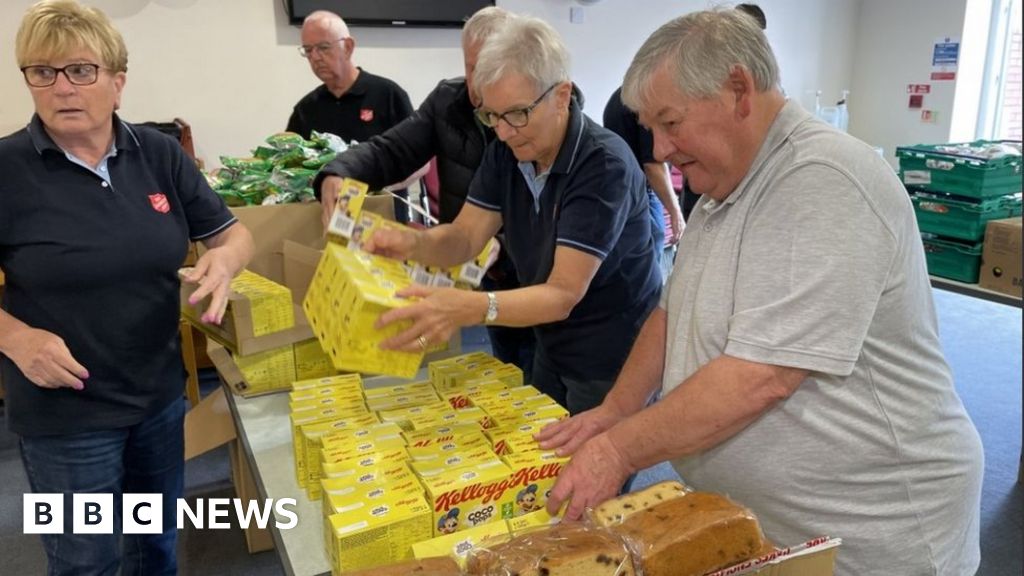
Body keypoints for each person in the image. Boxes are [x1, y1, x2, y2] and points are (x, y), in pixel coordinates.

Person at [538, 9, 983, 576]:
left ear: (738, 90)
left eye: (671, 123)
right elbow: (672, 315)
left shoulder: (821, 179)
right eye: (651, 127)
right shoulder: (723, 183)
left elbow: (762, 375)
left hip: (875, 533)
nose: (661, 148)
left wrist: (621, 449)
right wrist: (618, 411)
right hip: (774, 526)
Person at [0, 1, 254, 574]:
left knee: (156, 548)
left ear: (117, 82)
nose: (62, 87)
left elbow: (233, 234)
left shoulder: (158, 153)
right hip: (65, 417)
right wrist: (15, 339)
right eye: (43, 72)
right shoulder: (7, 169)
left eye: (81, 70)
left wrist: (224, 262)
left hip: (157, 399)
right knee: (86, 561)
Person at [364, 16, 661, 416]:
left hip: (611, 356)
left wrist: (471, 307)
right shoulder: (508, 150)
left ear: (561, 95)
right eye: (492, 116)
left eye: (517, 114)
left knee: (594, 470)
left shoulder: (603, 165)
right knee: (541, 458)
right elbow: (467, 237)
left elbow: (562, 295)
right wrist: (414, 243)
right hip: (550, 342)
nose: (503, 132)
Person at [314, 7, 538, 382]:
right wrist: (338, 172)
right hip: (482, 274)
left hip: (536, 283)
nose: (479, 83)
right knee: (510, 376)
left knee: (547, 385)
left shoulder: (539, 115)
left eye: (493, 68)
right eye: (472, 67)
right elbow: (391, 151)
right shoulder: (449, 102)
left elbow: (545, 209)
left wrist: (498, 241)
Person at [289, 10, 415, 221]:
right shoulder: (306, 109)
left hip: (383, 216)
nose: (315, 57)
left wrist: (378, 190)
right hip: (327, 223)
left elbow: (421, 161)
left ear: (348, 47)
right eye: (308, 50)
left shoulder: (388, 94)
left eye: (323, 48)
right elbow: (291, 169)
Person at [603, 86, 684, 280]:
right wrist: (675, 213)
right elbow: (653, 166)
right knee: (653, 268)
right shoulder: (645, 101)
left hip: (621, 190)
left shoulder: (619, 98)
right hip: (643, 193)